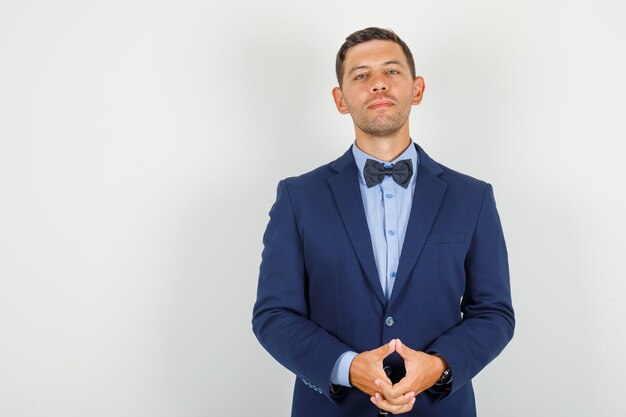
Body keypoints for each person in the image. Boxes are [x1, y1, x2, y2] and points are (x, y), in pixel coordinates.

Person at [252, 27, 514, 416]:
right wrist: (346, 366)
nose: (377, 84)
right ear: (340, 99)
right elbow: (273, 315)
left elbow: (494, 312)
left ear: (418, 89)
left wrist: (439, 367)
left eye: (391, 71)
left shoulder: (472, 197)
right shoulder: (298, 197)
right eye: (360, 75)